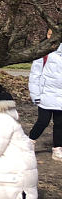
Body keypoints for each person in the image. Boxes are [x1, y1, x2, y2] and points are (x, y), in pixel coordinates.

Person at [28, 29, 62, 160]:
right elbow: (35, 75)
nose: (51, 36)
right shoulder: (43, 52)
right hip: (45, 94)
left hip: (60, 96)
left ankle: (58, 148)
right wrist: (35, 93)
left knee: (60, 124)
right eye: (49, 33)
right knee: (42, 121)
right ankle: (30, 142)